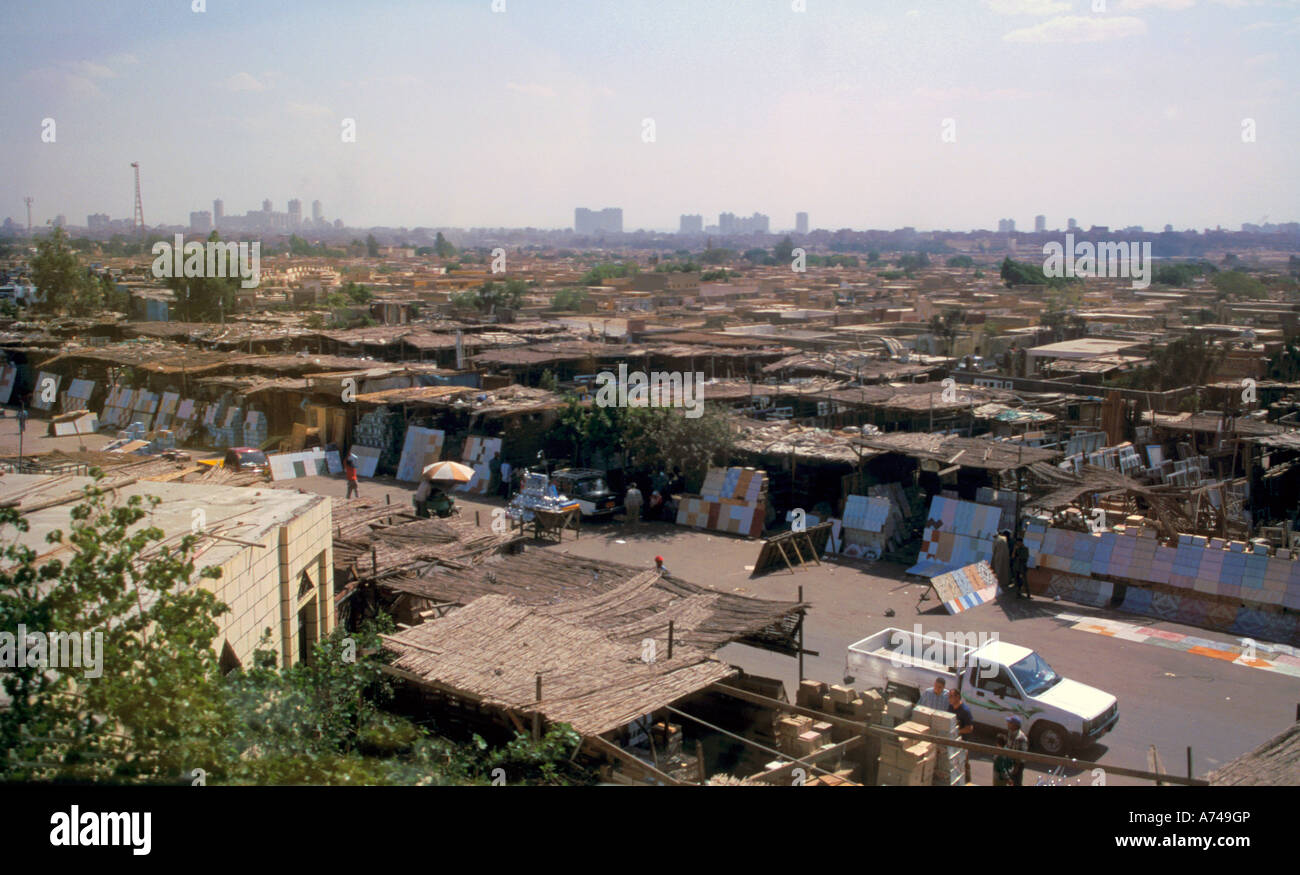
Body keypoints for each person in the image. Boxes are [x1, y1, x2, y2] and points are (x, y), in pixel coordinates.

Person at [994, 716, 1029, 786]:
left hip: (1017, 764)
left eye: (1010, 722)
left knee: (1016, 782)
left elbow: (1022, 755)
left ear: (1015, 725)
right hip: (1009, 761)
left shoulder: (1021, 738)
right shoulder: (1010, 732)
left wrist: (1016, 767)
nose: (1008, 723)